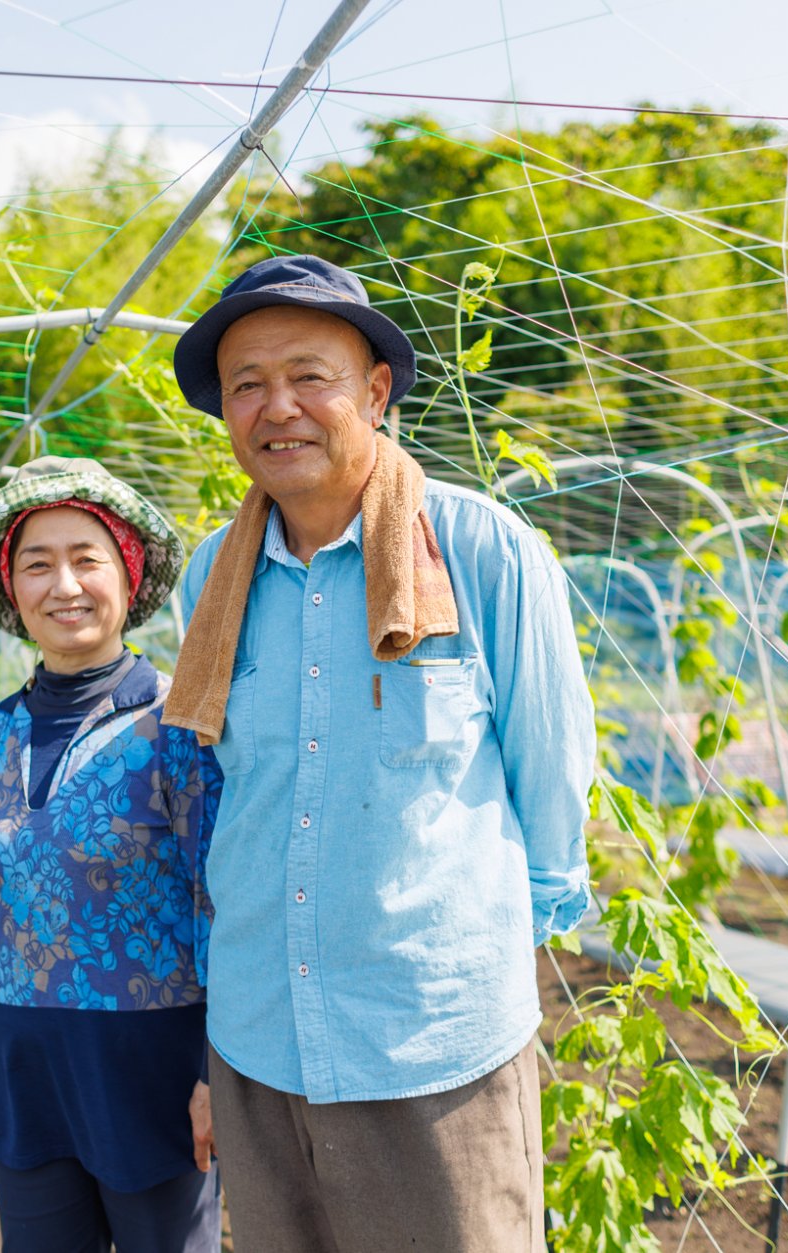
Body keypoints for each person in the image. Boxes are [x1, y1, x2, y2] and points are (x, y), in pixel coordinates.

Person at [163, 254, 596, 1252]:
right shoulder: (211, 579)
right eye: (245, 384)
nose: (278, 407)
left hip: (431, 1045)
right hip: (260, 1038)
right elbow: (229, 786)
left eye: (309, 375)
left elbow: (550, 783)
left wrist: (471, 968)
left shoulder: (481, 552)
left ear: (373, 389)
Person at [0, 456, 221, 1252]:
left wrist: (216, 1071)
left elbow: (222, 901)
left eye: (86, 559)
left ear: (127, 577)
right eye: (38, 564)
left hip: (153, 1073)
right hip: (23, 1071)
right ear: (12, 589)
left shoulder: (178, 724)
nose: (64, 585)